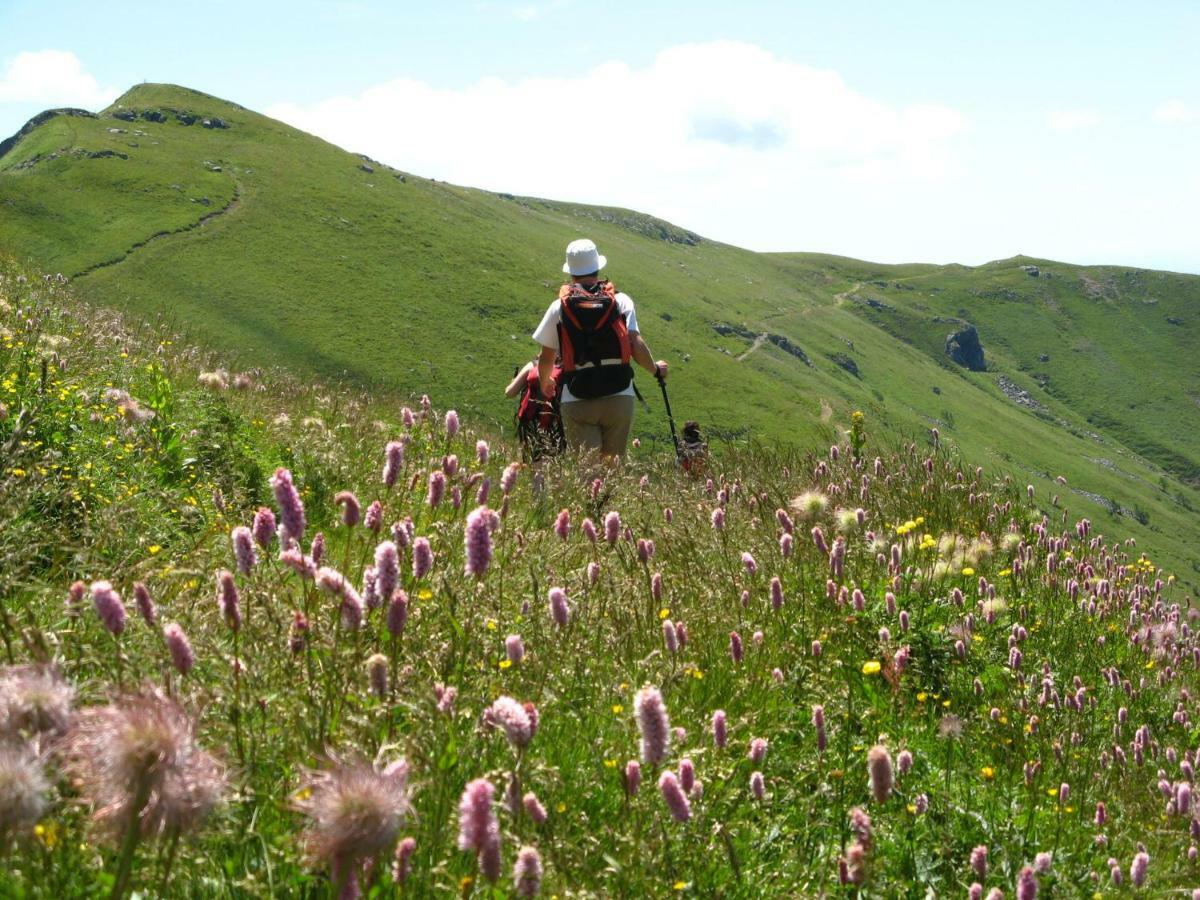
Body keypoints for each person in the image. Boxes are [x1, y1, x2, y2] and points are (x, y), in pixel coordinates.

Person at [531, 238, 668, 458]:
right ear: (597, 267)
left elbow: (546, 356)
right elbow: (635, 344)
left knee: (588, 472)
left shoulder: (559, 307)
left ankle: (591, 493)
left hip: (577, 395)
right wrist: (655, 369)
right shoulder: (621, 301)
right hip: (619, 393)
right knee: (612, 469)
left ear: (571, 273)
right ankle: (609, 494)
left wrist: (546, 381)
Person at [506, 357, 566, 461]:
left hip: (530, 422)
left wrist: (513, 381)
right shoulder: (567, 368)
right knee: (555, 464)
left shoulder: (533, 365)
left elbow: (510, 392)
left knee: (534, 462)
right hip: (557, 425)